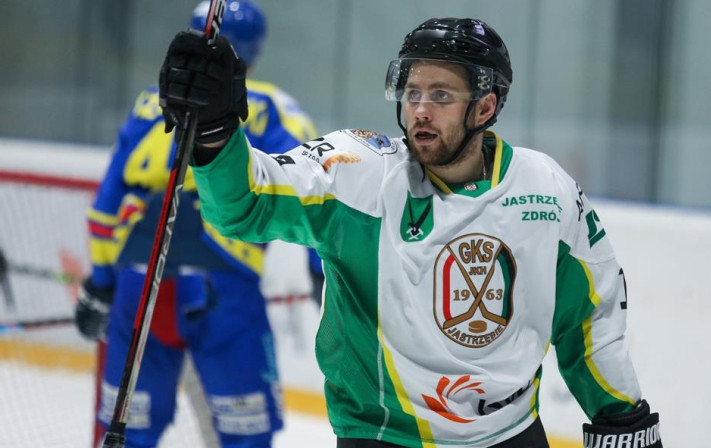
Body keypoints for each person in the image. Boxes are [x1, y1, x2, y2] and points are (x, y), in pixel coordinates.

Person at [159, 16, 664, 448]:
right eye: (412, 92)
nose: (419, 109)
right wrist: (214, 132)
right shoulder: (360, 173)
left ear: (485, 108)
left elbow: (591, 310)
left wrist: (619, 414)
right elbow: (245, 204)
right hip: (384, 436)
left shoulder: (545, 189)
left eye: (440, 96)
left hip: (510, 433)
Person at [74, 2, 317, 447]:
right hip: (222, 281)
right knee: (247, 433)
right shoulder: (271, 106)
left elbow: (106, 206)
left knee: (127, 431)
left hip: (138, 277)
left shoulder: (149, 101)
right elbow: (315, 190)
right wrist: (322, 270)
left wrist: (103, 280)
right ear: (257, 50)